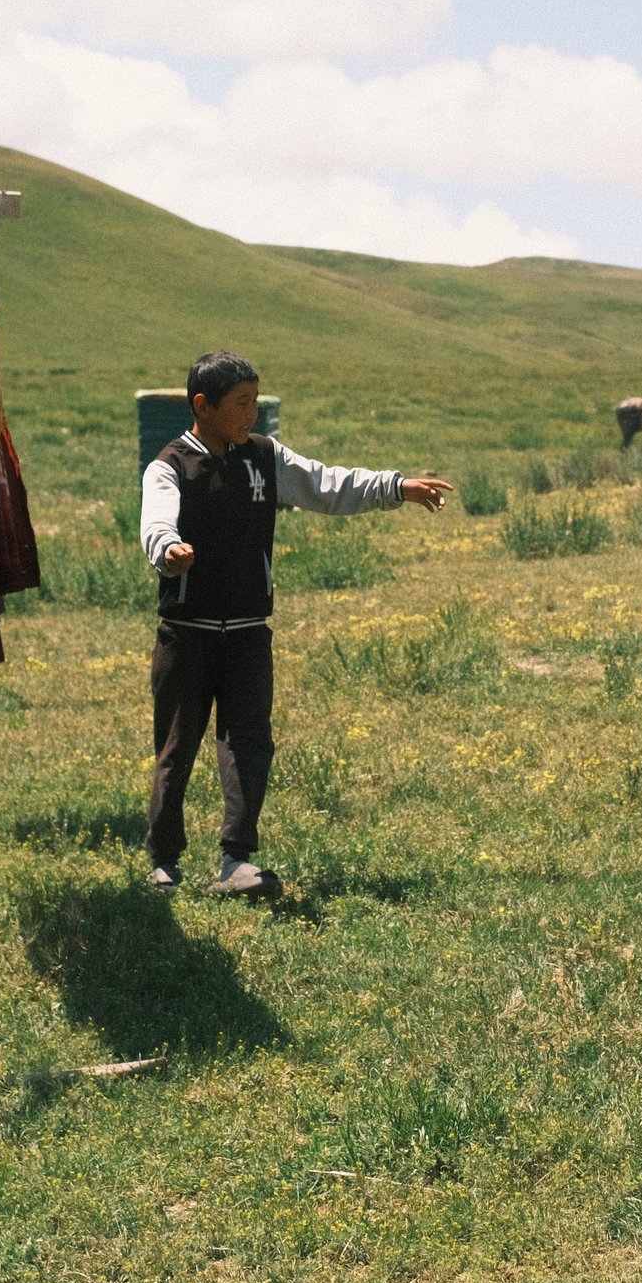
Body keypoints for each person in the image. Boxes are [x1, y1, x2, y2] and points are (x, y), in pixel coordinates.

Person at [138, 350, 454, 897]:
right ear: (202, 406)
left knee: (249, 743)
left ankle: (237, 863)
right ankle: (164, 861)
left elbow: (327, 484)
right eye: (241, 404)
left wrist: (397, 488)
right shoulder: (170, 464)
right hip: (186, 635)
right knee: (177, 744)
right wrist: (169, 550)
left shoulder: (264, 457)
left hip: (248, 633)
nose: (252, 414)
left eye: (256, 401)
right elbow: (156, 520)